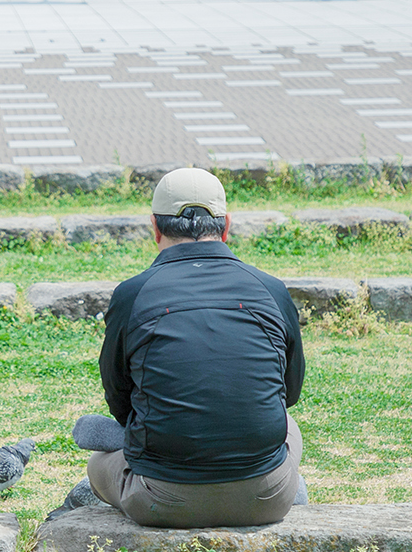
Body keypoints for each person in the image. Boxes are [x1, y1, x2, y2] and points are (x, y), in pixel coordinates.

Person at [81, 167, 307, 529]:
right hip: (267, 501)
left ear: (155, 228)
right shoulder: (271, 289)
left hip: (161, 501)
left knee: (97, 466)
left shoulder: (133, 294)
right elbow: (289, 393)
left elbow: (120, 397)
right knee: (289, 426)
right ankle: (283, 482)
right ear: (226, 225)